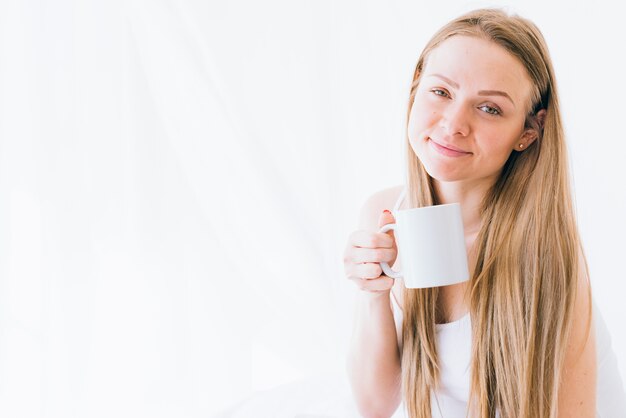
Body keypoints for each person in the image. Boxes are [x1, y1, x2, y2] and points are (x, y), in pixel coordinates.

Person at [343, 8, 626, 418]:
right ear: (415, 89)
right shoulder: (386, 213)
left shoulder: (546, 255)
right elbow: (376, 405)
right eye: (441, 92)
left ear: (528, 133)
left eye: (489, 108)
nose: (454, 124)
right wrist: (374, 295)